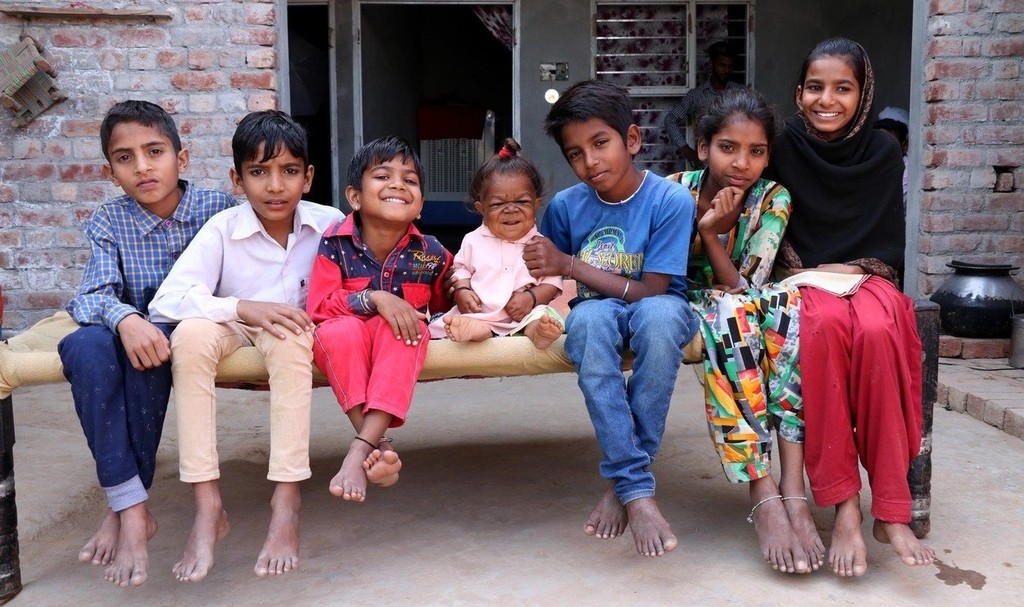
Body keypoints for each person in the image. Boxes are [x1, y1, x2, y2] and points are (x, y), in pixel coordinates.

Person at [764, 37, 935, 577]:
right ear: (798, 92)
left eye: (843, 88)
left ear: (863, 95)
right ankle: (844, 507)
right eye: (815, 87)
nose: (827, 100)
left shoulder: (882, 151)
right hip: (804, 279)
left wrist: (852, 271)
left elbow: (885, 241)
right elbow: (769, 225)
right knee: (822, 328)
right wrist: (812, 272)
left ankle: (891, 508)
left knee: (882, 332)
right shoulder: (781, 145)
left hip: (867, 276)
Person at [149, 110, 344, 582]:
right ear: (238, 180)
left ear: (308, 177)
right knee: (189, 335)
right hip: (233, 324)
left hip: (293, 332)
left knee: (291, 335)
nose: (275, 186)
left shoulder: (331, 224)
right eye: (258, 172)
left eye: (289, 171)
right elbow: (167, 300)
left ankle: (286, 500)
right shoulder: (222, 228)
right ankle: (207, 505)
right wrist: (241, 307)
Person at [57, 100, 236, 587]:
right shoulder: (109, 219)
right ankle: (133, 509)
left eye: (154, 151)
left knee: (151, 354)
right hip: (130, 329)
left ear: (182, 158)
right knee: (83, 349)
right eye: (125, 157)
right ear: (110, 172)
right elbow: (92, 294)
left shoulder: (219, 209)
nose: (142, 166)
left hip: (184, 330)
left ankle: (122, 510)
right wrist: (126, 319)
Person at [523, 79, 699, 558]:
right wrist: (534, 289)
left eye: (600, 143)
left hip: (659, 305)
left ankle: (625, 485)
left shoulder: (669, 200)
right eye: (575, 153)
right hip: (595, 308)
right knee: (588, 323)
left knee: (659, 321)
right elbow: (553, 280)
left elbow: (653, 290)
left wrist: (570, 264)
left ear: (632, 139)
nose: (590, 161)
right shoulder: (565, 207)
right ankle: (636, 487)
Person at [667, 87, 824, 574]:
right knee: (729, 313)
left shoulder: (772, 198)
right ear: (703, 147)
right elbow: (667, 274)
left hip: (742, 299)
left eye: (756, 151)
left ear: (768, 156)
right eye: (727, 148)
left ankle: (793, 487)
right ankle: (762, 486)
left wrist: (716, 240)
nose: (741, 163)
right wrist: (708, 230)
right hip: (685, 302)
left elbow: (746, 283)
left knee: (787, 306)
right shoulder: (673, 191)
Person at [306, 136, 452, 503]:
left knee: (409, 329)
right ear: (355, 197)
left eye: (410, 180)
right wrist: (375, 298)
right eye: (383, 176)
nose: (398, 185)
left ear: (420, 205)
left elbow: (448, 306)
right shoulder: (335, 243)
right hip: (346, 342)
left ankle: (360, 450)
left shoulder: (432, 253)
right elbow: (319, 307)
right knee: (337, 331)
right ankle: (377, 443)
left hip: (398, 345)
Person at [427, 138, 564, 349]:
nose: (511, 210)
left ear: (536, 204)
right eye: (498, 204)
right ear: (481, 208)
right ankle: (476, 331)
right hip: (481, 313)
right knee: (467, 321)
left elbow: (552, 282)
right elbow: (461, 270)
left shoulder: (541, 245)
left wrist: (531, 298)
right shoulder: (473, 240)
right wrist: (462, 292)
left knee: (542, 316)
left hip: (524, 314)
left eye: (522, 202)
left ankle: (537, 332)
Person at [663, 41, 744, 168]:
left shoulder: (740, 93)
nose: (727, 70)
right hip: (706, 166)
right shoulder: (697, 95)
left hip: (735, 162)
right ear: (712, 64)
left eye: (730, 66)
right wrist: (686, 150)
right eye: (722, 65)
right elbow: (670, 119)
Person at [873, 110, 910, 206]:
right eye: (878, 143)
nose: (882, 149)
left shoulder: (909, 169)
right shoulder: (868, 162)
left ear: (904, 146)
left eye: (889, 144)